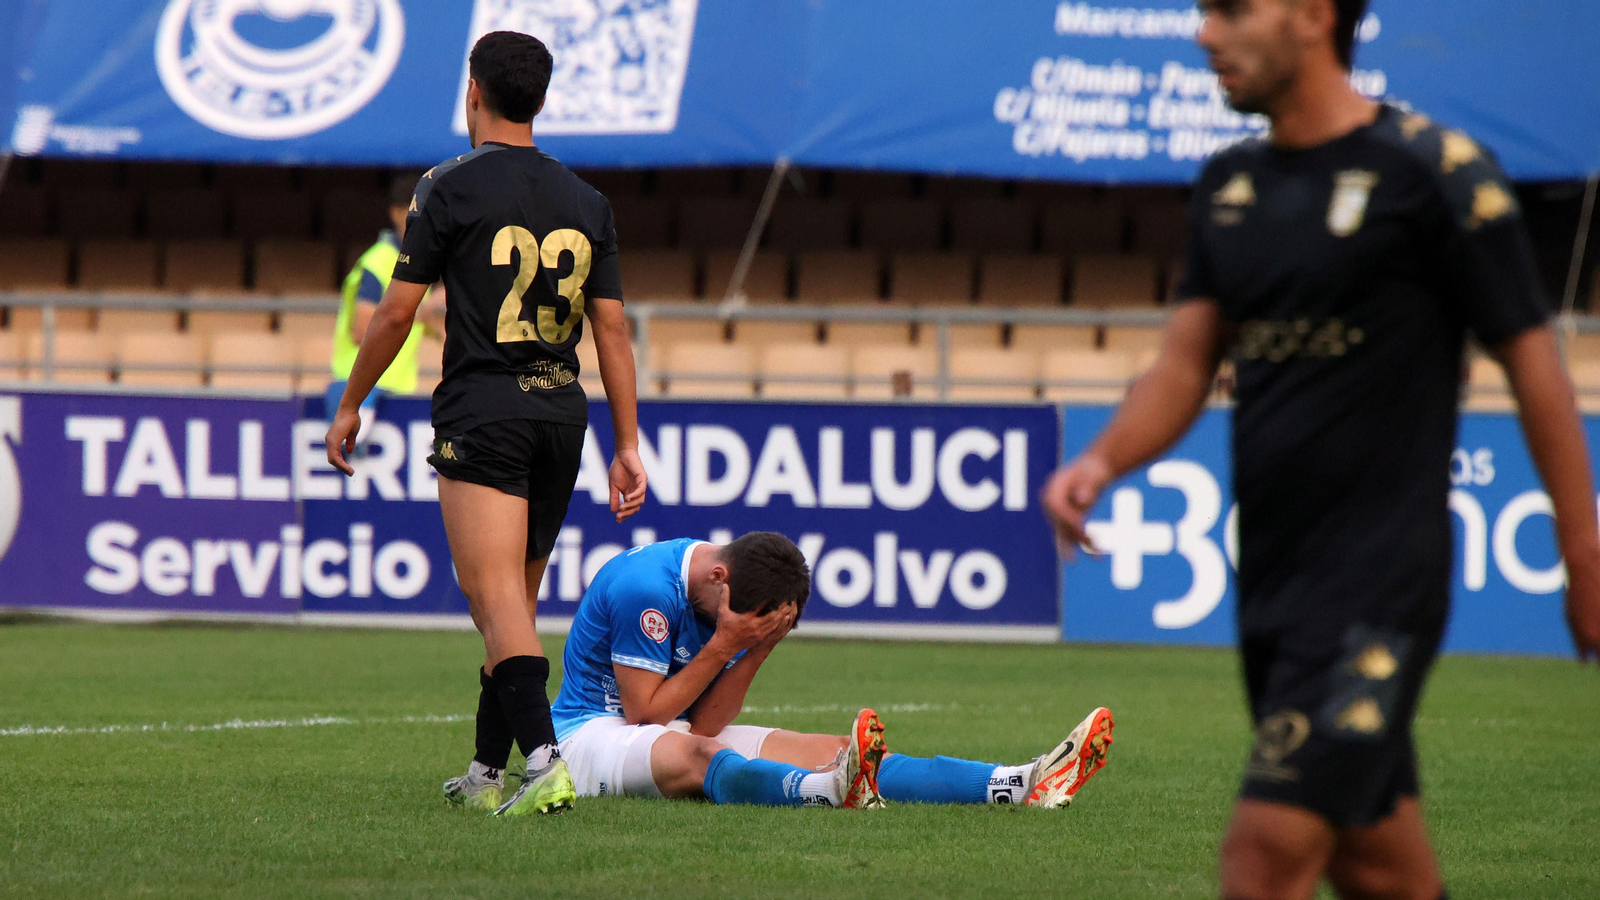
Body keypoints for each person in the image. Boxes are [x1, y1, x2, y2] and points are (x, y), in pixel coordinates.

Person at [1042, 1, 1600, 897]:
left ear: (1312, 14)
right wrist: (1100, 461)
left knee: (1263, 852)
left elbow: (1537, 368)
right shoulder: (1232, 184)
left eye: (1229, 9)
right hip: (1273, 583)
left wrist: (1584, 554)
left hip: (1380, 581)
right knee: (1378, 862)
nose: (1203, 33)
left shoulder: (1434, 173)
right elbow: (1186, 366)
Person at [326, 31, 649, 817]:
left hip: (484, 410)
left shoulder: (446, 185)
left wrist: (350, 401)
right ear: (540, 98)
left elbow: (399, 310)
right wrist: (627, 443)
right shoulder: (587, 200)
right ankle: (485, 771)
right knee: (515, 604)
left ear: (474, 92)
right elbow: (611, 331)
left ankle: (544, 762)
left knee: (491, 593)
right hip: (561, 415)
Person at [549, 532, 1115, 809]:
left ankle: (1018, 783)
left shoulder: (739, 604)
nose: (746, 632)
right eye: (747, 624)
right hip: (589, 734)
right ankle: (823, 792)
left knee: (832, 745)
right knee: (703, 759)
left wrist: (758, 647)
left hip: (660, 729)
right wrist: (726, 645)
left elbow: (704, 721)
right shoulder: (645, 589)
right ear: (719, 576)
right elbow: (643, 713)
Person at [325, 174, 446, 448]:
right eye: (417, 210)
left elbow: (414, 321)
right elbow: (362, 330)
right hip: (362, 390)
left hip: (396, 390)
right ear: (396, 213)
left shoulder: (415, 264)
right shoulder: (379, 263)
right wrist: (422, 311)